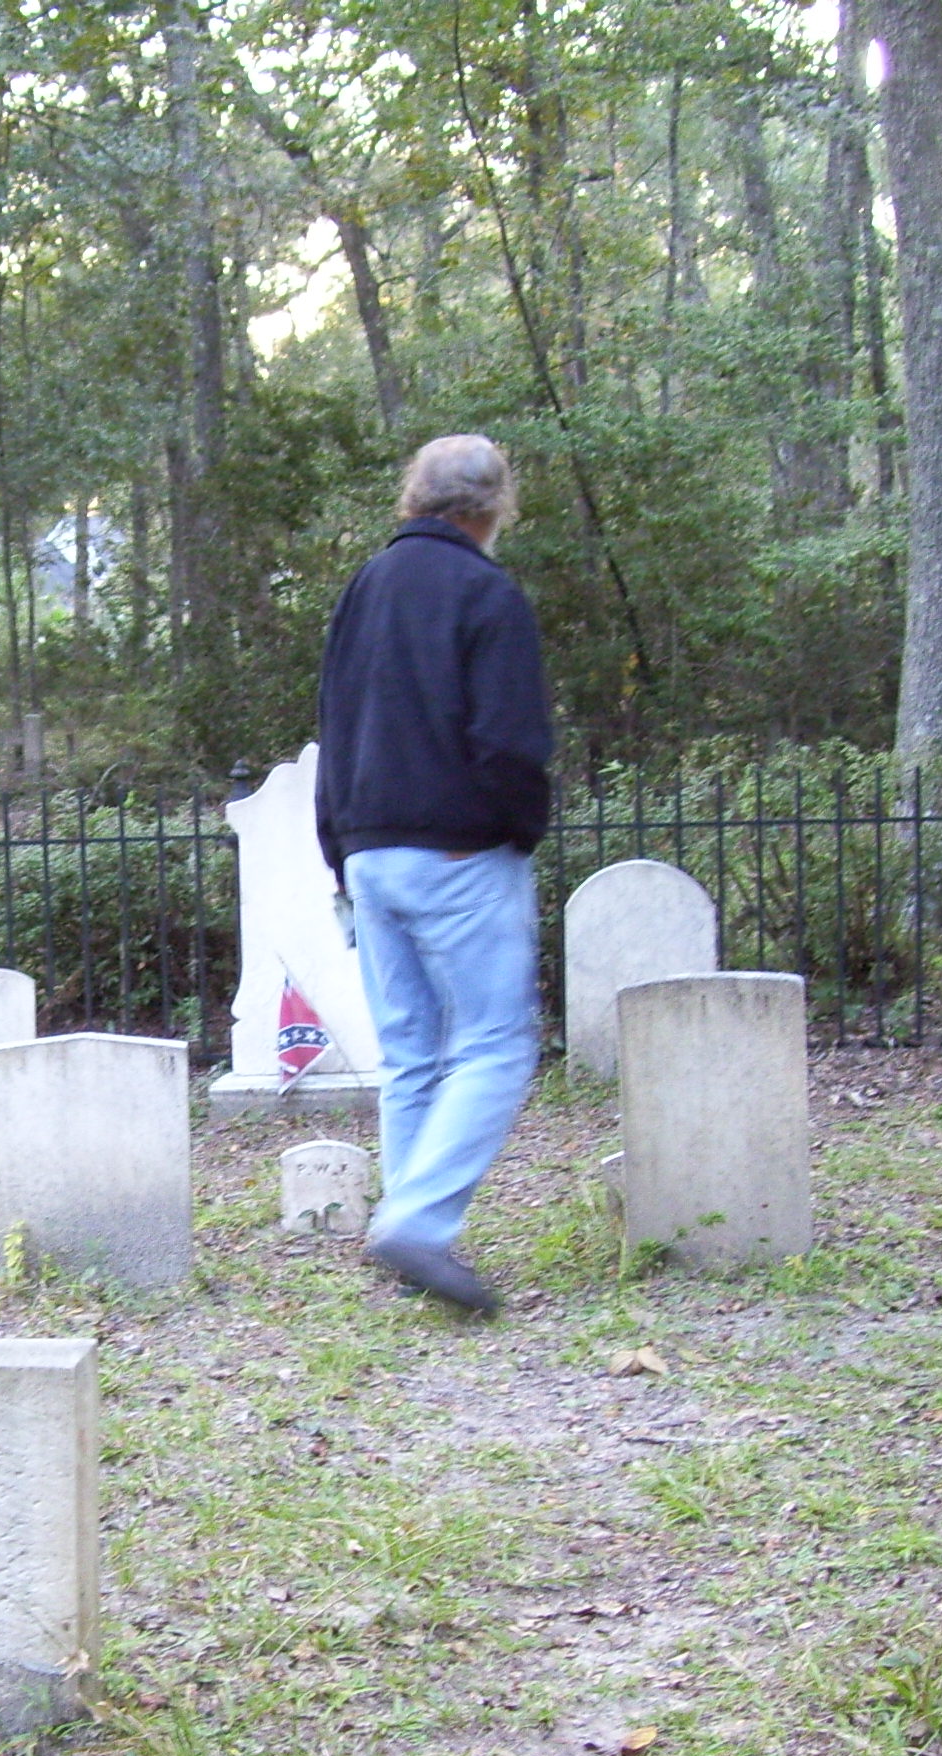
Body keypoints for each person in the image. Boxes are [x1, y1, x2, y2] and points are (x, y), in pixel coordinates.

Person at [315, 434, 552, 1315]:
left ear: (414, 500)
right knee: (495, 1047)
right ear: (492, 509)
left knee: (412, 1055)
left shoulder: (365, 589)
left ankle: (411, 1229)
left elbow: (335, 726)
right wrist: (520, 829)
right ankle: (415, 1221)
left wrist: (340, 852)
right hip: (457, 852)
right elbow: (509, 743)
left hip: (369, 851)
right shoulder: (488, 595)